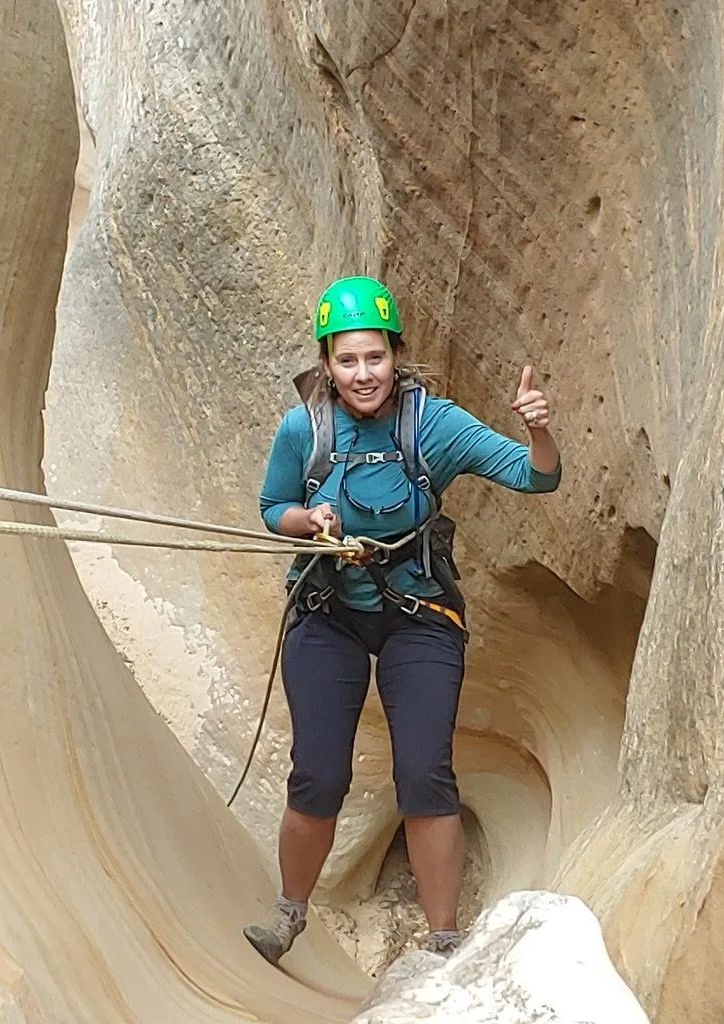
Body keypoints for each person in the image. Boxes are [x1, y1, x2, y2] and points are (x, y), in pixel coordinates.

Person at [244, 276, 561, 965]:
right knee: (319, 775)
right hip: (327, 610)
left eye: (375, 357)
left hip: (418, 610)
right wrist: (311, 521)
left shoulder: (434, 424)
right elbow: (274, 510)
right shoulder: (305, 427)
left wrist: (538, 430)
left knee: (425, 774)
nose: (363, 374)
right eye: (347, 360)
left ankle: (444, 942)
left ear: (397, 354)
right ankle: (288, 915)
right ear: (326, 363)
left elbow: (536, 478)